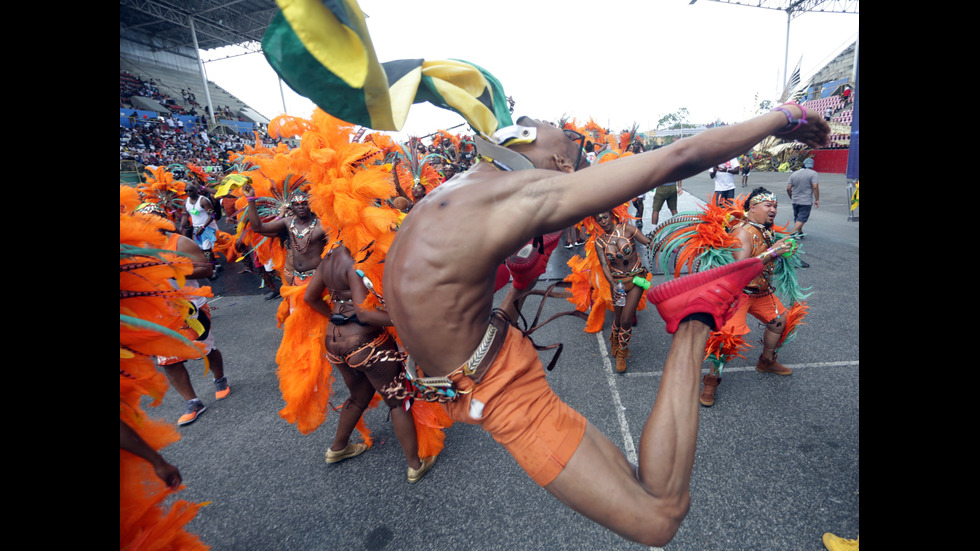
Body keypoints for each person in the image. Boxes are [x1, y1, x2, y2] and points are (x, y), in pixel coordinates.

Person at [381, 106, 829, 545]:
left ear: (558, 164)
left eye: (562, 135)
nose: (549, 124)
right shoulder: (470, 184)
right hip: (471, 374)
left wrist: (784, 116)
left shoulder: (502, 191)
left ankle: (695, 317)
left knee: (659, 516)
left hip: (496, 390)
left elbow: (677, 156)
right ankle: (695, 312)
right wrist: (512, 296)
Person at [303, 243, 437, 482]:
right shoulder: (356, 259)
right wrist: (408, 320)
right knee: (398, 400)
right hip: (366, 343)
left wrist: (336, 318)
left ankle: (338, 448)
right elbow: (365, 314)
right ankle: (415, 465)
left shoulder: (329, 256)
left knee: (359, 396)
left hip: (334, 341)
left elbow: (309, 297)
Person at [698, 188, 799, 407]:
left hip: (762, 292)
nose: (773, 210)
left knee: (780, 321)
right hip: (738, 295)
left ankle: (766, 361)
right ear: (752, 208)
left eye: (775, 206)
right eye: (768, 206)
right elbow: (740, 268)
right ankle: (711, 381)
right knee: (726, 339)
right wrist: (774, 252)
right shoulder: (743, 232)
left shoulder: (765, 230)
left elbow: (769, 255)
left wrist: (784, 250)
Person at [152, 218, 230, 426]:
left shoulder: (180, 243)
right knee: (168, 360)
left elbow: (207, 270)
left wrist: (172, 271)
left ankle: (220, 378)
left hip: (190, 306)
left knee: (203, 350)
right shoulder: (134, 248)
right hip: (156, 311)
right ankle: (193, 401)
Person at [593, 209, 651, 372]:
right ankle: (614, 338)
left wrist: (668, 245)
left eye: (605, 217)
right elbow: (605, 265)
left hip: (637, 279)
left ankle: (622, 353)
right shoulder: (600, 242)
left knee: (626, 320)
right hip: (617, 283)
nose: (603, 221)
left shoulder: (628, 229)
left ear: (612, 216)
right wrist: (612, 284)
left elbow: (647, 242)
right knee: (618, 319)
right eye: (599, 219)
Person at [179, 181, 221, 280]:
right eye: (186, 191)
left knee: (206, 249)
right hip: (196, 228)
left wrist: (203, 228)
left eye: (190, 190)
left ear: (196, 190)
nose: (188, 192)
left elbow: (212, 215)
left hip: (207, 227)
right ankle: (216, 264)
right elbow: (185, 215)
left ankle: (212, 270)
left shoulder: (203, 201)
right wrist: (181, 227)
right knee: (200, 248)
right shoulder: (186, 202)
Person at [786, 157, 819, 244]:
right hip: (806, 200)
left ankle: (800, 232)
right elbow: (815, 187)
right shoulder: (813, 174)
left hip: (795, 200)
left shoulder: (794, 174)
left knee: (797, 217)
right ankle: (792, 234)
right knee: (802, 218)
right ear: (812, 165)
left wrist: (791, 196)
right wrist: (817, 199)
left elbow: (788, 188)